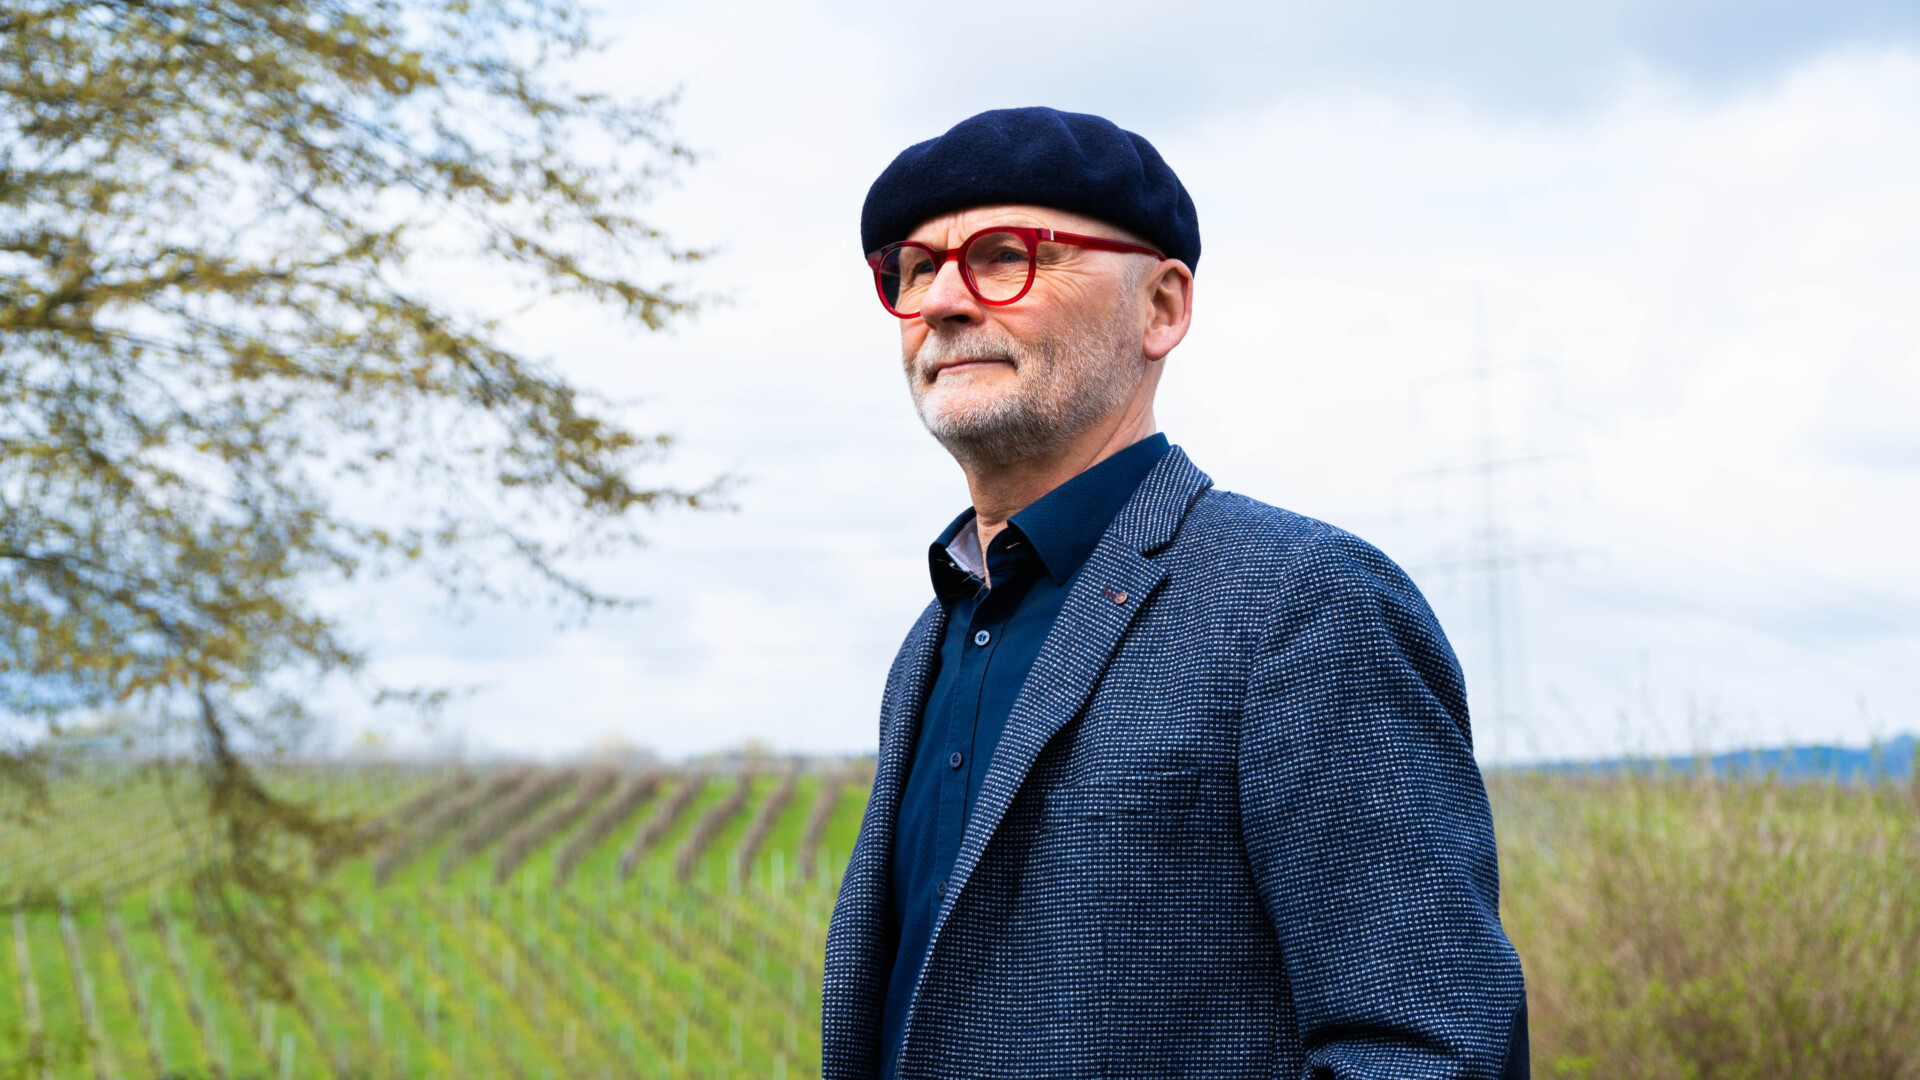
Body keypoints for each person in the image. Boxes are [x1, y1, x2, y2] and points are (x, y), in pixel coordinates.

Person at [823, 106, 1529, 1080]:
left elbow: (1427, 1052)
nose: (941, 299)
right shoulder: (933, 639)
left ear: (1160, 308)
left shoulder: (1305, 604)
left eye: (1003, 256)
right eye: (912, 268)